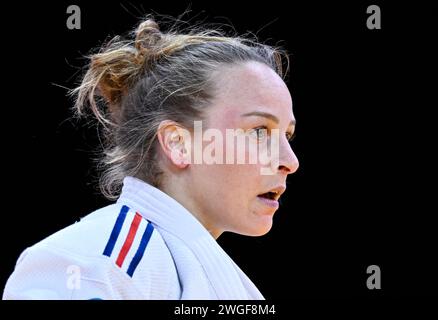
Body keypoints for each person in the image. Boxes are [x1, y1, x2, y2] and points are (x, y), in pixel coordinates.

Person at [3, 16, 299, 300]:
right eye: (260, 131)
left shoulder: (227, 286)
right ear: (179, 143)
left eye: (287, 135)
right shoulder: (93, 265)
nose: (291, 161)